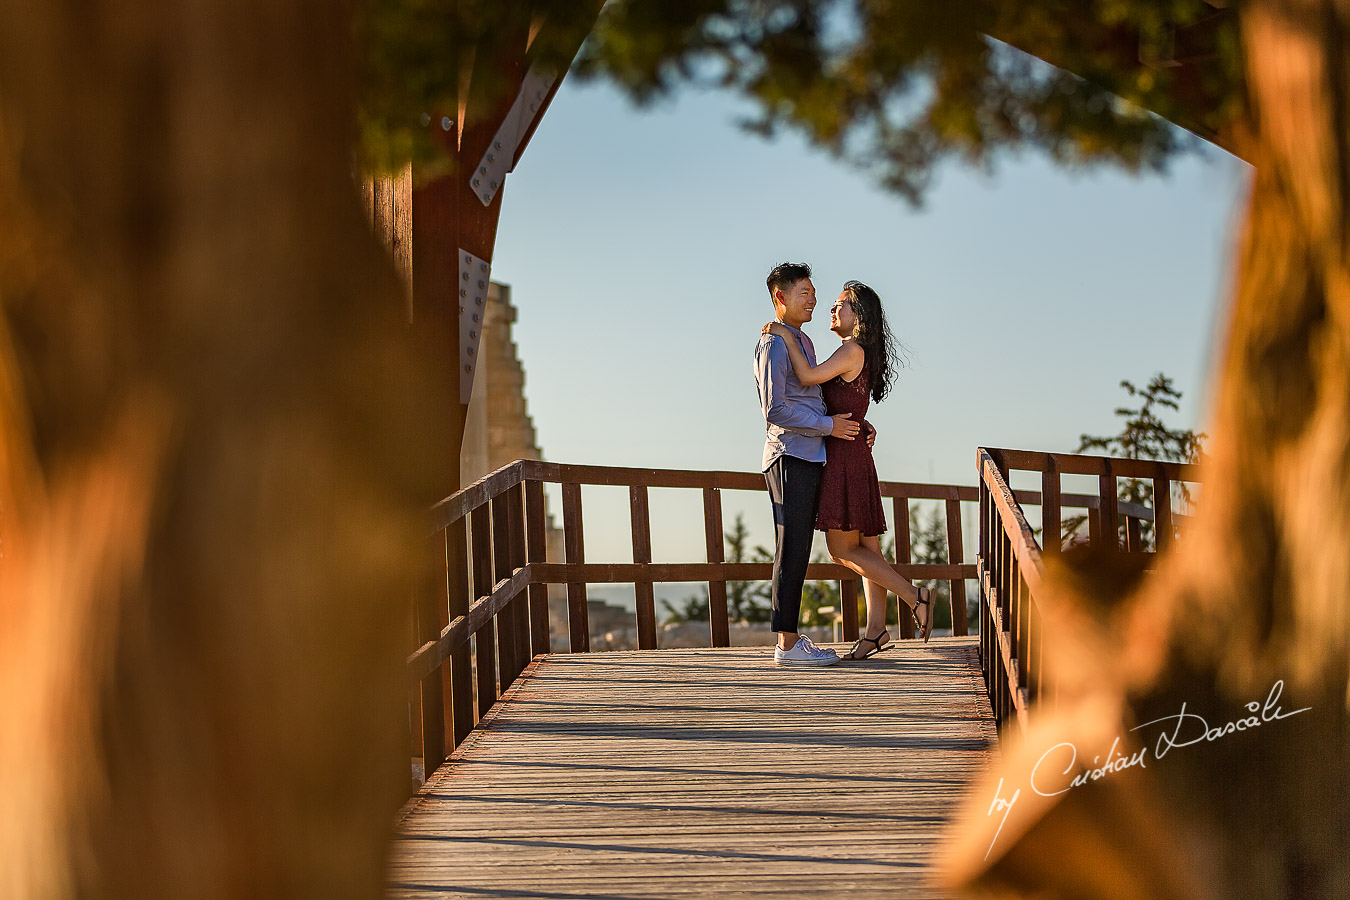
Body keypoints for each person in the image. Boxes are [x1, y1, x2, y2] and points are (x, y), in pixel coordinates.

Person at [764, 280, 934, 657]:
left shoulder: (850, 349)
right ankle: (876, 630)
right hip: (853, 449)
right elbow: (842, 401)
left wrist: (783, 333)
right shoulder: (859, 352)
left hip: (843, 456)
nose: (831, 309)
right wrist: (863, 424)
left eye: (841, 305)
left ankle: (915, 596)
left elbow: (807, 377)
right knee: (867, 547)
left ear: (858, 316)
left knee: (841, 550)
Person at [754, 262, 863, 666]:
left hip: (809, 453)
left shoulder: (800, 341)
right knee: (792, 545)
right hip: (789, 454)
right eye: (805, 292)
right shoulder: (774, 345)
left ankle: (790, 641)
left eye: (814, 292)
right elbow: (775, 409)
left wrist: (849, 426)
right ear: (780, 297)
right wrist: (826, 426)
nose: (813, 299)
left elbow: (814, 393)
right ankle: (786, 645)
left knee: (800, 545)